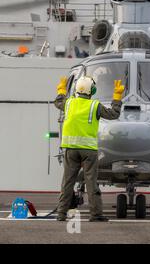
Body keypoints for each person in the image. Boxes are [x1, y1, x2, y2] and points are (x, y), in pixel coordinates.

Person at [54, 76, 125, 222]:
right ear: (91, 90)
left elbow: (58, 102)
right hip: (88, 150)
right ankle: (96, 214)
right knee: (91, 182)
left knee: (67, 182)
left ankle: (61, 214)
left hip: (70, 149)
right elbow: (113, 114)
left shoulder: (69, 103)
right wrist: (117, 97)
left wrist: (61, 90)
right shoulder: (94, 105)